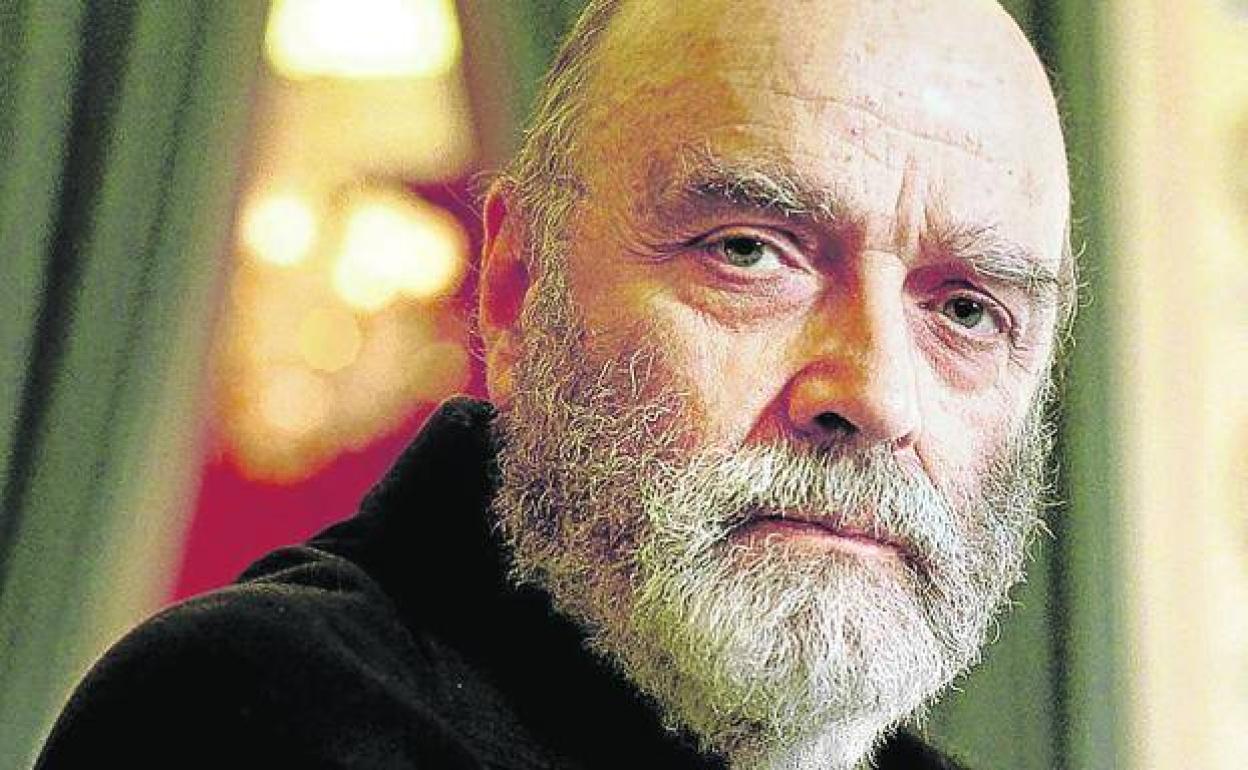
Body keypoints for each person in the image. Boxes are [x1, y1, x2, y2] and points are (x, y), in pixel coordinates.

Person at [36, 0, 1074, 768]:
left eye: (968, 310)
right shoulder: (241, 714)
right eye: (751, 251)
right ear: (518, 285)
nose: (878, 394)